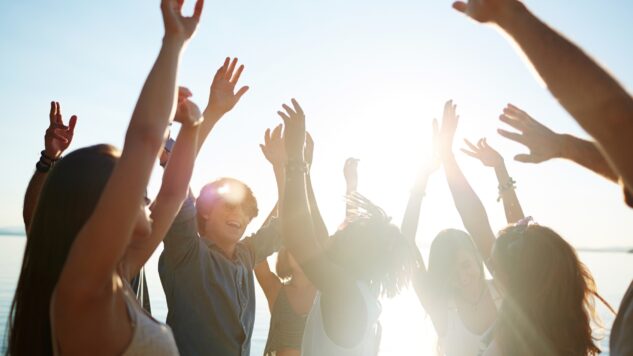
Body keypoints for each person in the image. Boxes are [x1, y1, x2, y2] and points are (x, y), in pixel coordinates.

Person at [6, 0, 204, 354]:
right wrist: (173, 43)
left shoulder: (118, 274)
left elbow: (173, 193)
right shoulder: (85, 290)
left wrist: (192, 127)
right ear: (97, 208)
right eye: (134, 190)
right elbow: (143, 140)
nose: (145, 198)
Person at [452, 5, 633, 350]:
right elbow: (524, 256)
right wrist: (562, 147)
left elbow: (619, 124)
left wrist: (510, 16)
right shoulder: (563, 337)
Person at [437, 100, 607, 356]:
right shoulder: (561, 326)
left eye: (496, 261)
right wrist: (499, 170)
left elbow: (475, 220)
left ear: (521, 278)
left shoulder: (520, 334)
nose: (491, 264)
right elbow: (519, 236)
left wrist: (447, 158)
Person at [157, 59, 282, 356]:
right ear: (204, 210)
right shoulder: (185, 252)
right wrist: (213, 112)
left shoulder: (246, 255)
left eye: (244, 210)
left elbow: (286, 223)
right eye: (228, 206)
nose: (238, 215)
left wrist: (285, 168)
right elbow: (177, 178)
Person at [278, 98, 416, 355]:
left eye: (343, 232)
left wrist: (295, 159)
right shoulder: (361, 287)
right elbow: (316, 236)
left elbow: (300, 239)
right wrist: (306, 170)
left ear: (353, 251)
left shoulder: (345, 292)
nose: (337, 230)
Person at [403, 109, 505, 356]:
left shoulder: (503, 288)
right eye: (451, 270)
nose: (462, 276)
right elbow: (404, 244)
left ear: (477, 256)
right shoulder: (441, 310)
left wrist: (449, 158)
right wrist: (421, 179)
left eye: (465, 265)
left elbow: (476, 221)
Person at [254, 125, 323, 356]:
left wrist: (304, 171)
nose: (301, 247)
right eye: (294, 244)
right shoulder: (277, 292)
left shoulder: (327, 288)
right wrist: (281, 179)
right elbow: (256, 252)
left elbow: (313, 226)